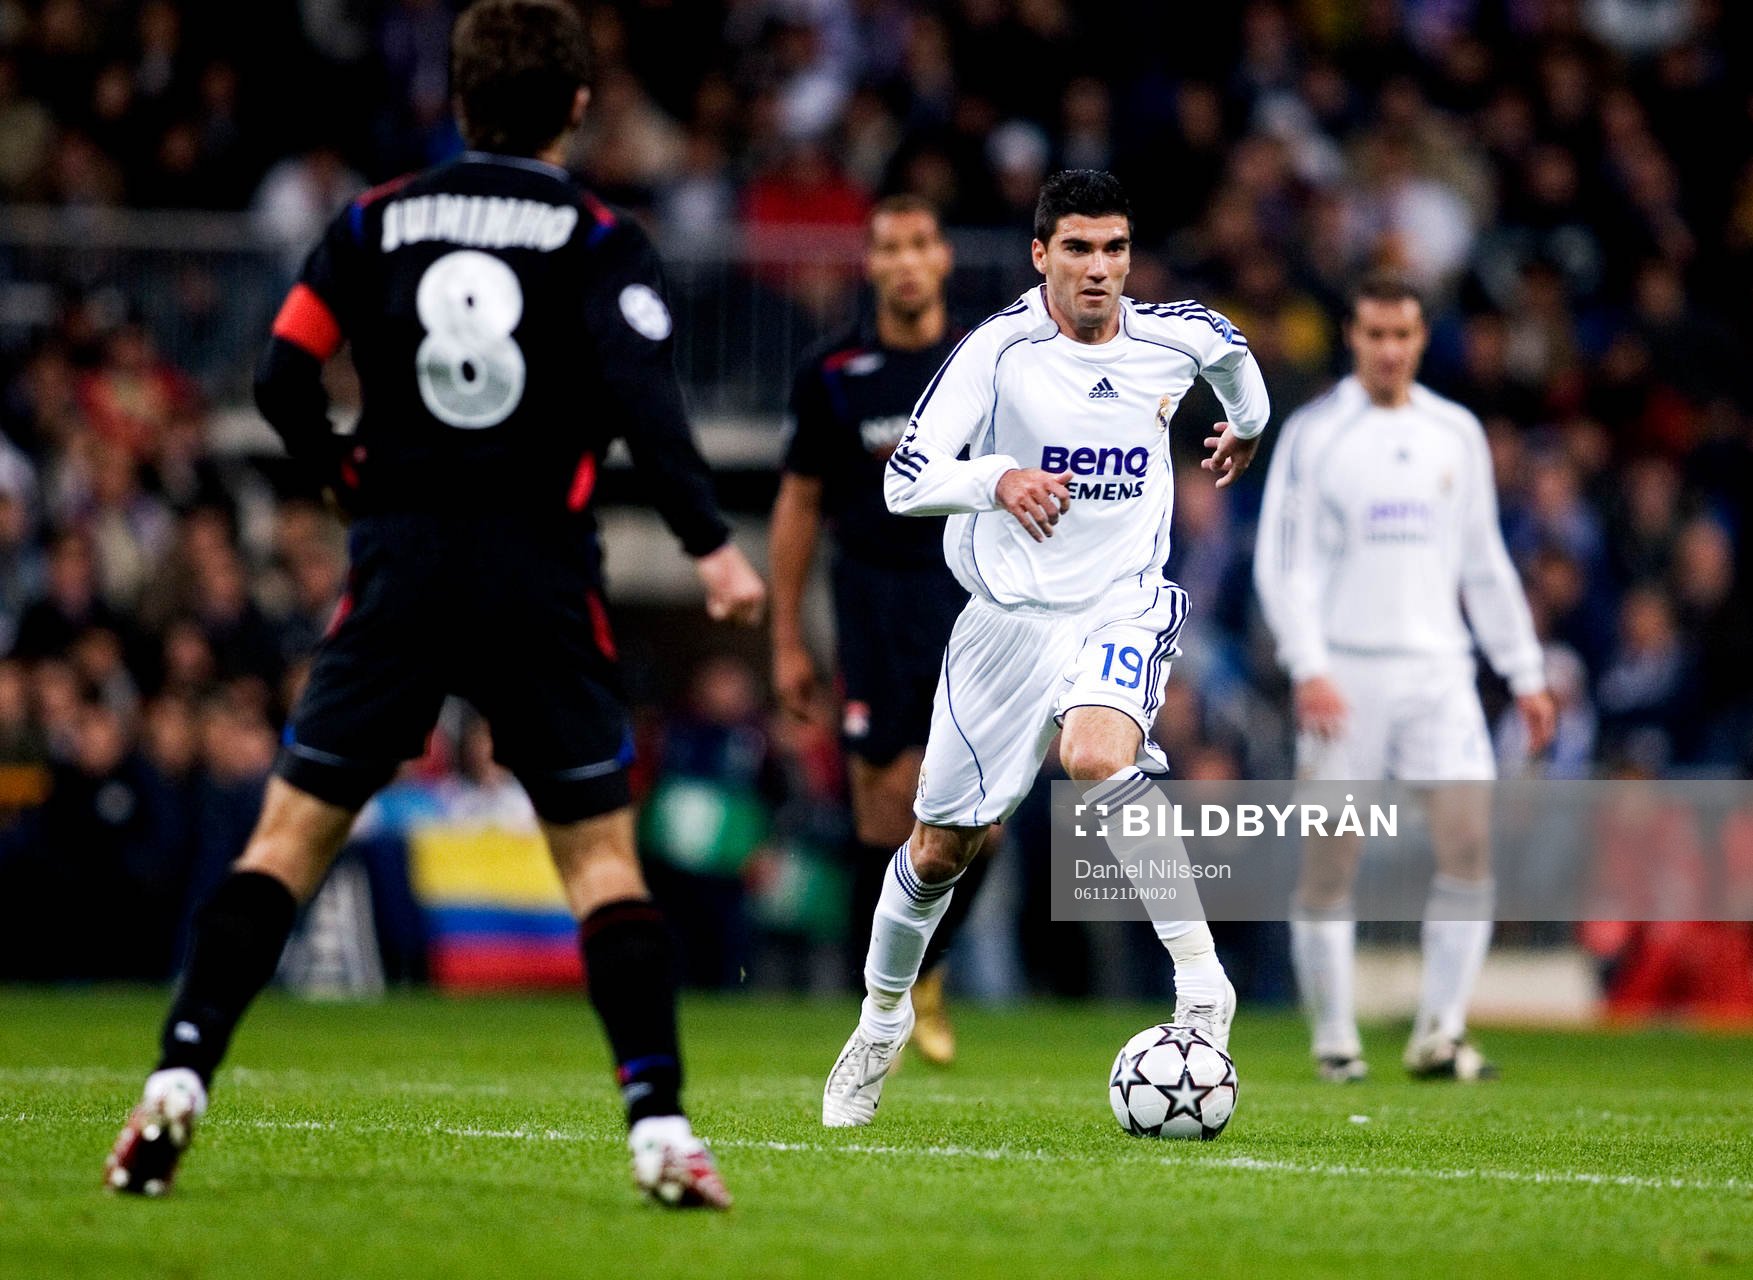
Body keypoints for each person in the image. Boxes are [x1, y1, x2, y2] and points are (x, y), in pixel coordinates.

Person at [103, 0, 764, 1209]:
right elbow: (644, 402)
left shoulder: (372, 220)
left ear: (456, 102)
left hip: (399, 561)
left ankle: (182, 1076)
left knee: (286, 841)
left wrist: (344, 468)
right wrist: (710, 546)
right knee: (599, 861)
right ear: (575, 107)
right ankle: (661, 1126)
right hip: (537, 571)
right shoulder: (600, 235)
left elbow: (279, 371)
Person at [820, 169, 1270, 1127]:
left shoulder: (1174, 337)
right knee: (938, 848)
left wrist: (1247, 432)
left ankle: (1201, 986)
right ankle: (882, 1017)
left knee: (1098, 756)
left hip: (1119, 603)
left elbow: (1236, 365)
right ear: (1040, 256)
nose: (1097, 269)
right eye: (1077, 249)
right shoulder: (997, 349)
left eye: (1113, 248)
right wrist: (999, 479)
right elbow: (905, 480)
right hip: (1004, 623)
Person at [1253, 274, 1556, 1083]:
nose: (1388, 350)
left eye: (1403, 335)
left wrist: (1523, 670)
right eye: (1374, 335)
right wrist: (1307, 665)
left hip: (1437, 669)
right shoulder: (1315, 434)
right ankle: (1334, 1037)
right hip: (1345, 672)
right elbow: (1283, 564)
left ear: (1421, 340)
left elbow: (1483, 562)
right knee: (1331, 860)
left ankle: (1438, 1032)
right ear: (1351, 338)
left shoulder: (1453, 433)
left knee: (1466, 845)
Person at [769, 195, 989, 1064]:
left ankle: (922, 968)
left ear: (942, 259)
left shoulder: (981, 363)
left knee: (986, 816)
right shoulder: (834, 372)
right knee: (882, 802)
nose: (904, 261)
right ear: (870, 263)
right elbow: (796, 506)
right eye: (888, 246)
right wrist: (786, 637)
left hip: (967, 599)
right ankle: (884, 999)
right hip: (865, 599)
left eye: (920, 245)